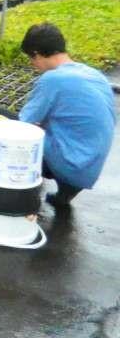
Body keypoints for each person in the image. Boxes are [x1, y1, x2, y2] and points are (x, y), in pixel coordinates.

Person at [17, 22, 115, 208]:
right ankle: (66, 193)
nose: (33, 64)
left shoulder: (52, 79)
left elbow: (24, 122)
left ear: (37, 53)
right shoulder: (94, 74)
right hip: (91, 166)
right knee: (63, 122)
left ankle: (20, 198)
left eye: (31, 58)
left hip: (71, 164)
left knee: (19, 138)